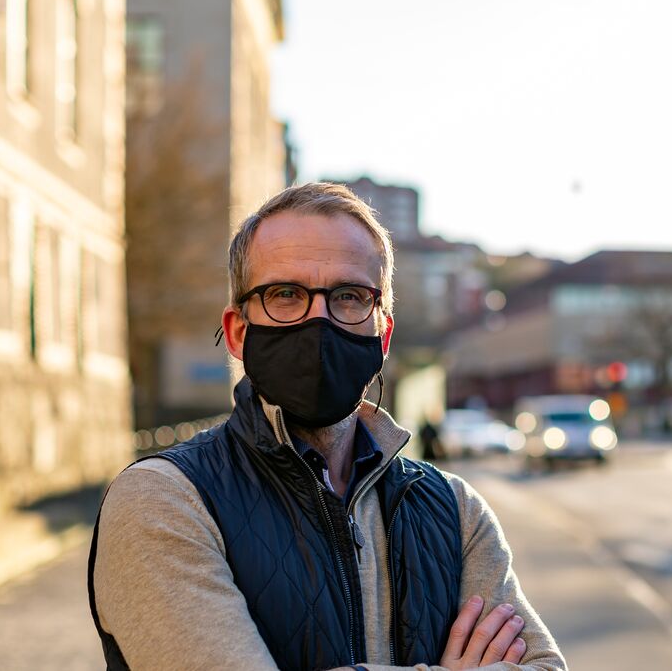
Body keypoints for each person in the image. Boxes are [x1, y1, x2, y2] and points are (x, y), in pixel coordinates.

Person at [89, 183, 565, 671]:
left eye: (349, 296)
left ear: (383, 335)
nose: (319, 320)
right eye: (286, 295)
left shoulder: (455, 511)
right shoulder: (165, 500)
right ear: (238, 332)